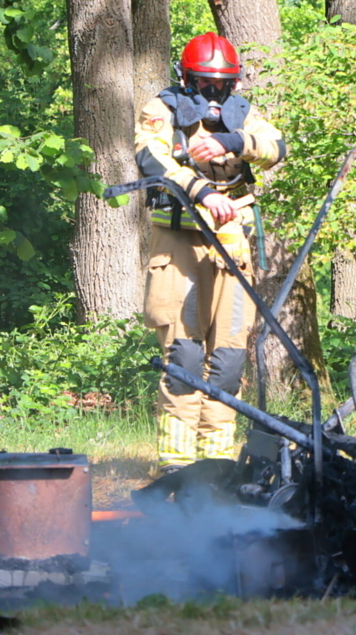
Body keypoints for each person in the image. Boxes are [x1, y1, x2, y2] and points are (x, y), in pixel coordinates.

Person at [135, 32, 286, 474]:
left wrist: (234, 143)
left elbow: (277, 147)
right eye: (205, 84)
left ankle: (216, 468)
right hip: (179, 247)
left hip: (231, 246)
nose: (214, 94)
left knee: (228, 362)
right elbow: (152, 161)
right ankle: (178, 470)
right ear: (187, 79)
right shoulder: (159, 110)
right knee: (184, 359)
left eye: (222, 85)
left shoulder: (245, 116)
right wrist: (201, 191)